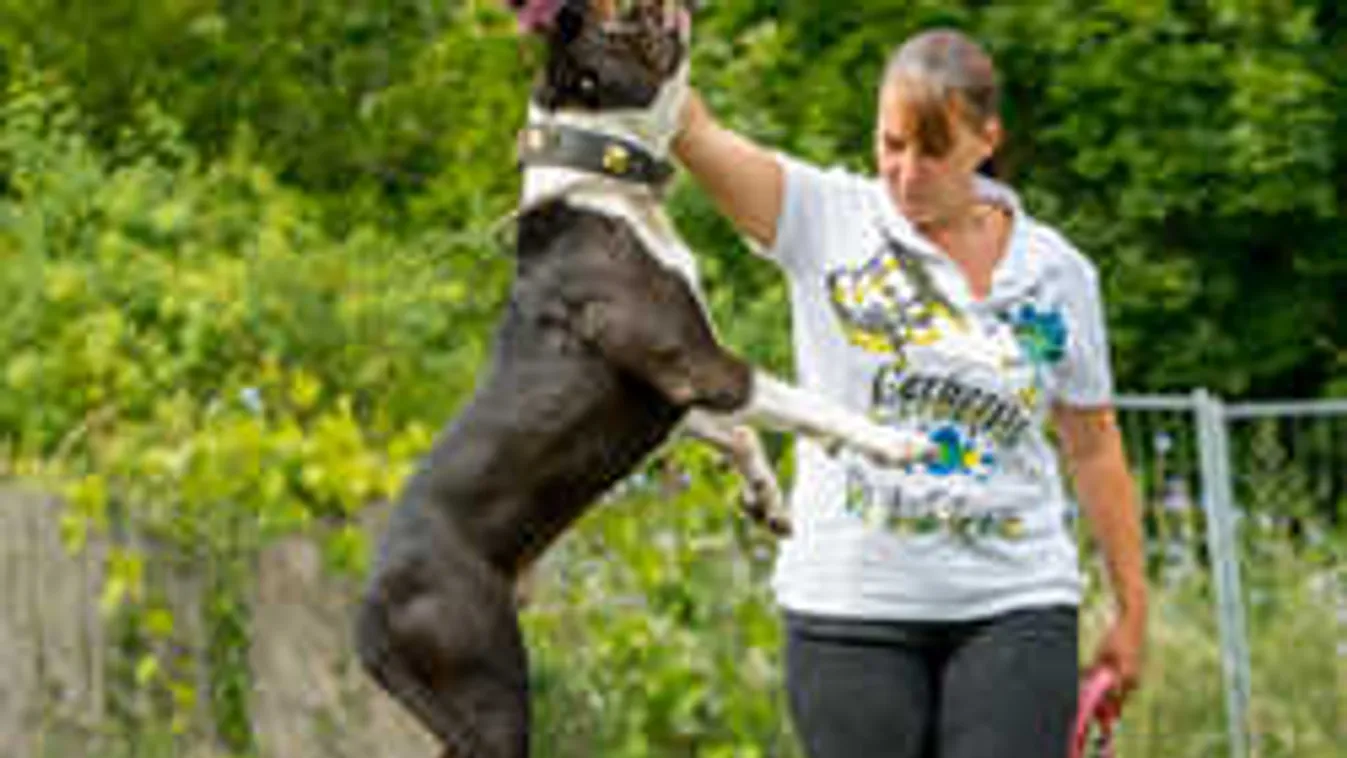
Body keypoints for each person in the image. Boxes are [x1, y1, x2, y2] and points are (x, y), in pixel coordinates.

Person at [671, 28, 1148, 758]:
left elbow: (1092, 447)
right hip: (850, 604)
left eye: (931, 151)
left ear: (985, 141)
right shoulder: (823, 217)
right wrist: (603, 21)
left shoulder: (1056, 273)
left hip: (1015, 600)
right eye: (890, 145)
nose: (904, 172)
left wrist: (1131, 611)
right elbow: (691, 129)